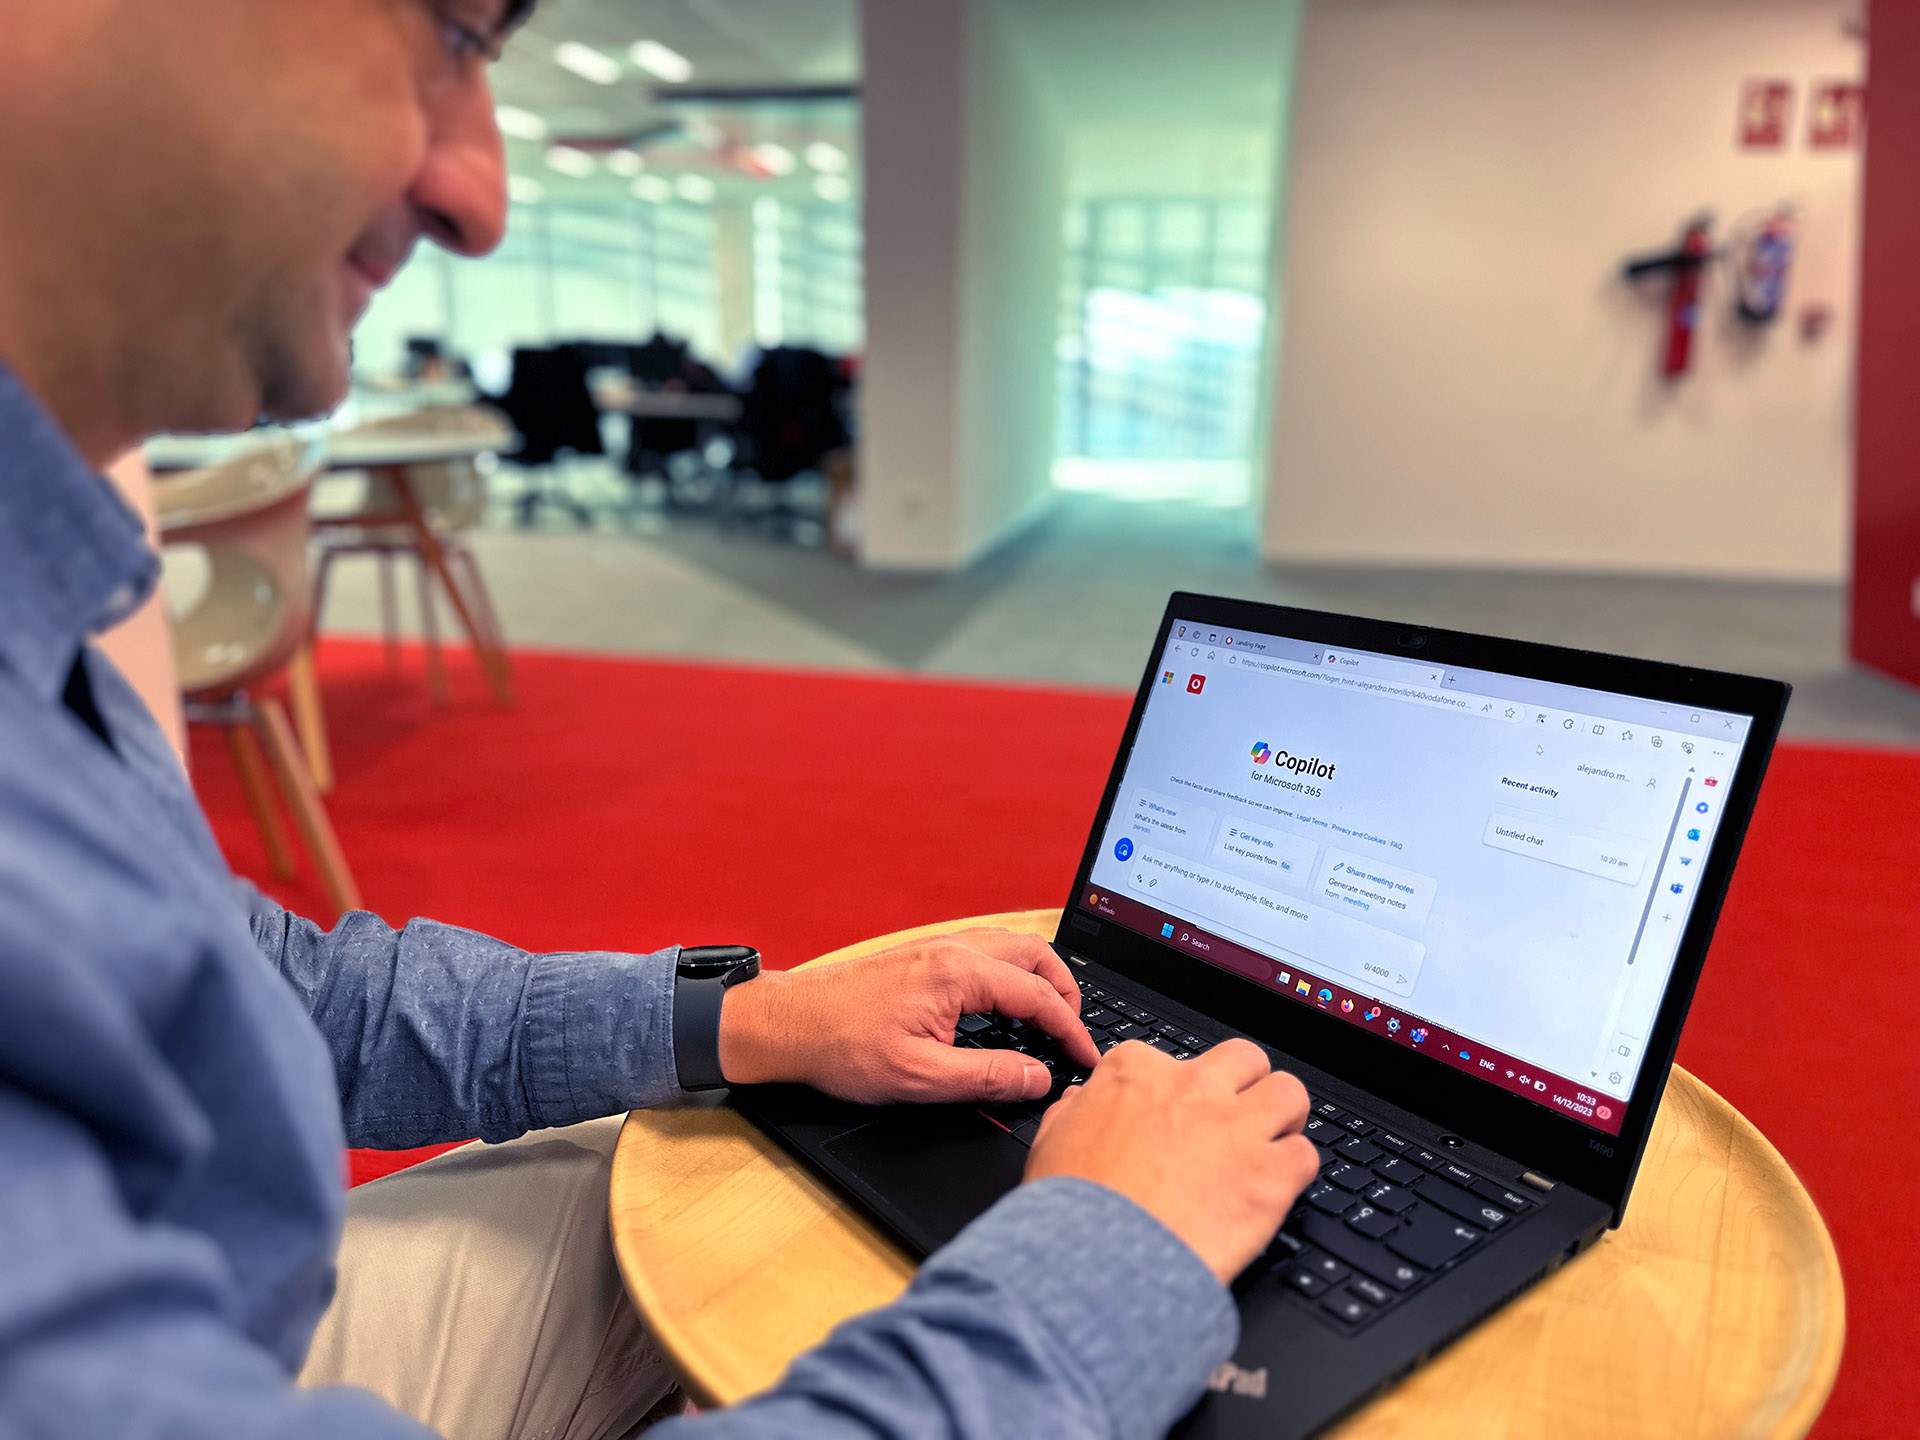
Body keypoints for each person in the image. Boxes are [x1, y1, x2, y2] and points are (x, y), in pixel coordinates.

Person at [0, 3, 1320, 1438]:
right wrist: (1105, 1263)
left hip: (212, 1278)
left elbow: (271, 995)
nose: (480, 197)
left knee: (715, 1172)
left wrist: (748, 1021)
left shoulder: (39, 603)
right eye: (451, 33)